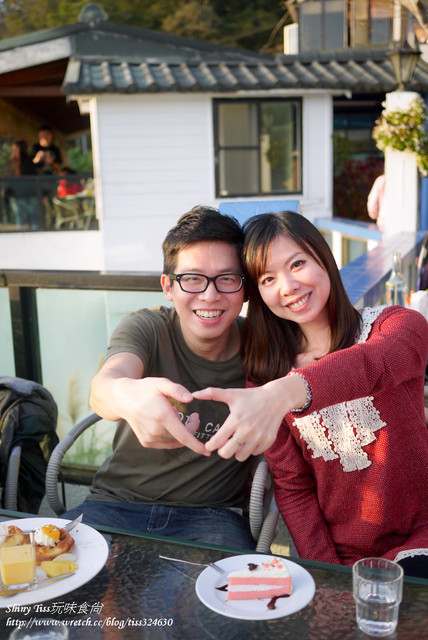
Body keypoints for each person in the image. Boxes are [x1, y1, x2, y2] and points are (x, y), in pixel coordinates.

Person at [195, 210, 428, 577]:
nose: (287, 286)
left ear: (324, 258)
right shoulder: (265, 378)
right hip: (343, 558)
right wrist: (326, 575)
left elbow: (372, 364)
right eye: (268, 278)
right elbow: (293, 488)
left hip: (421, 539)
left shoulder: (398, 326)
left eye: (297, 263)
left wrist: (286, 392)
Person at [61, 206, 256, 550]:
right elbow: (105, 385)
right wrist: (127, 393)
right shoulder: (147, 327)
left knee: (229, 597)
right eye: (192, 278)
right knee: (58, 582)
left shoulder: (264, 348)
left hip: (213, 516)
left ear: (244, 288)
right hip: (114, 503)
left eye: (226, 279)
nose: (210, 295)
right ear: (168, 286)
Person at [5, 140, 38, 229]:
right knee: (21, 219)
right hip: (17, 195)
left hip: (28, 194)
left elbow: (33, 177)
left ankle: (35, 237)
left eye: (16, 149)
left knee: (32, 217)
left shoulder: (27, 162)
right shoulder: (12, 163)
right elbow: (8, 180)